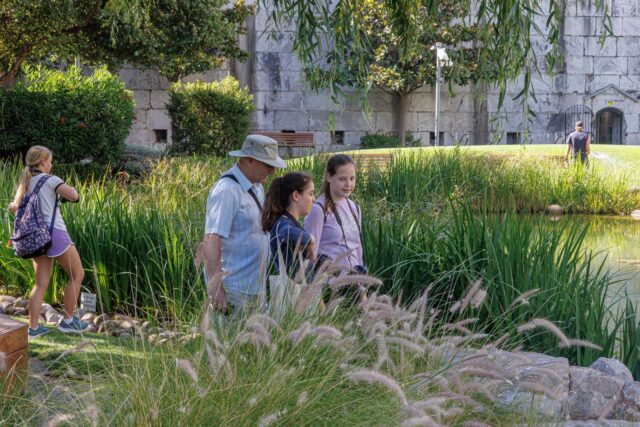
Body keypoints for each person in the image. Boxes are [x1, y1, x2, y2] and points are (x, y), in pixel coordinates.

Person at [8, 146, 89, 340]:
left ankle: (33, 328)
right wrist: (70, 191)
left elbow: (15, 207)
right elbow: (74, 196)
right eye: (50, 161)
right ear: (43, 161)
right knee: (77, 274)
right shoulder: (51, 180)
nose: (51, 165)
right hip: (55, 235)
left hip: (36, 238)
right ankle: (67, 321)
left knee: (40, 284)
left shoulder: (27, 182)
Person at [203, 135, 287, 314]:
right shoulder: (227, 190)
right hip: (233, 289)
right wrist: (216, 289)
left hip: (255, 287)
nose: (272, 171)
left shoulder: (256, 186)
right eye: (268, 165)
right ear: (250, 160)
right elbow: (212, 237)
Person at [304, 154, 365, 274]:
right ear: (329, 177)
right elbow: (310, 254)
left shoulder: (355, 208)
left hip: (354, 282)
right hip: (328, 282)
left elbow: (358, 249)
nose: (348, 184)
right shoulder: (318, 209)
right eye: (342, 179)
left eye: (352, 178)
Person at [262, 172, 316, 277]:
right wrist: (311, 239)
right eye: (311, 194)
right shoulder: (282, 223)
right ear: (296, 196)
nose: (314, 199)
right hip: (293, 287)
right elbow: (285, 232)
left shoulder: (291, 223)